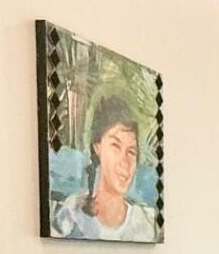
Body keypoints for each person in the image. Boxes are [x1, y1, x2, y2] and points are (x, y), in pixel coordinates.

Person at [52, 95, 157, 241]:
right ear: (97, 147)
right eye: (116, 146)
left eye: (131, 152)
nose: (125, 162)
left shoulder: (145, 225)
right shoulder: (72, 215)